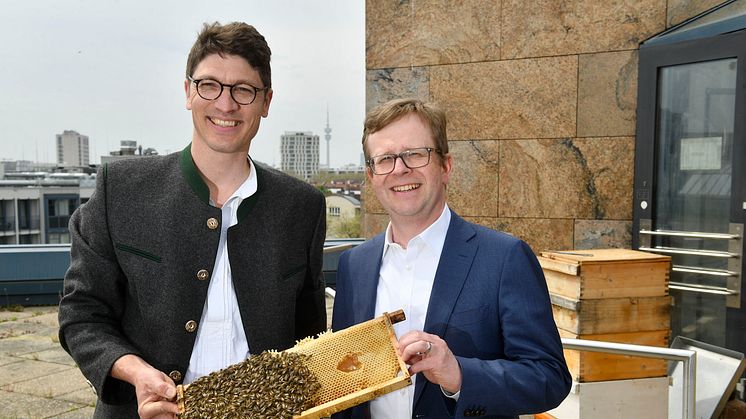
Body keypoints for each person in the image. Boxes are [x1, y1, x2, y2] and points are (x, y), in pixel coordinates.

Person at [58, 22, 327, 418]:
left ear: (266, 102)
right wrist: (135, 373)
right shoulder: (121, 188)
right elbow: (81, 314)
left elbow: (309, 336)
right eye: (209, 85)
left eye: (244, 90)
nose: (225, 104)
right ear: (188, 92)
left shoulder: (302, 206)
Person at [331, 98, 571, 418]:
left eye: (415, 154)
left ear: (445, 166)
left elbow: (550, 378)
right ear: (371, 175)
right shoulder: (354, 265)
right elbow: (344, 386)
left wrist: (457, 373)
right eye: (385, 158)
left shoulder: (504, 258)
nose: (400, 169)